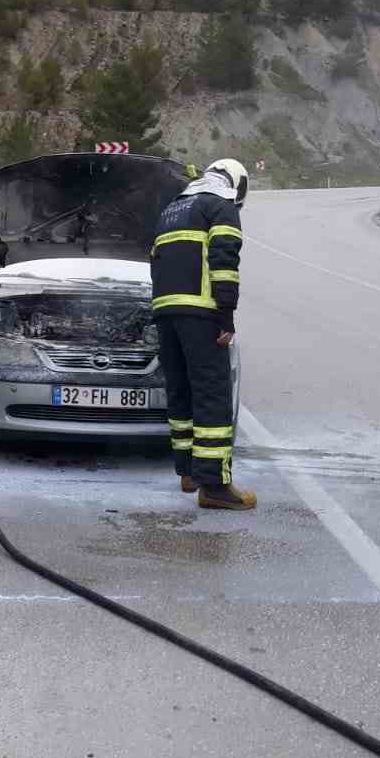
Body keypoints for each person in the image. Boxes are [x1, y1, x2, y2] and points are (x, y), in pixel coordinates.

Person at [151, 158, 255, 511]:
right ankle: (215, 487)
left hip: (166, 313)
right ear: (236, 184)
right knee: (212, 394)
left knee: (181, 394)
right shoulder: (220, 206)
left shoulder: (172, 209)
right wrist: (226, 315)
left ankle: (189, 473)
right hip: (201, 314)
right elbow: (224, 260)